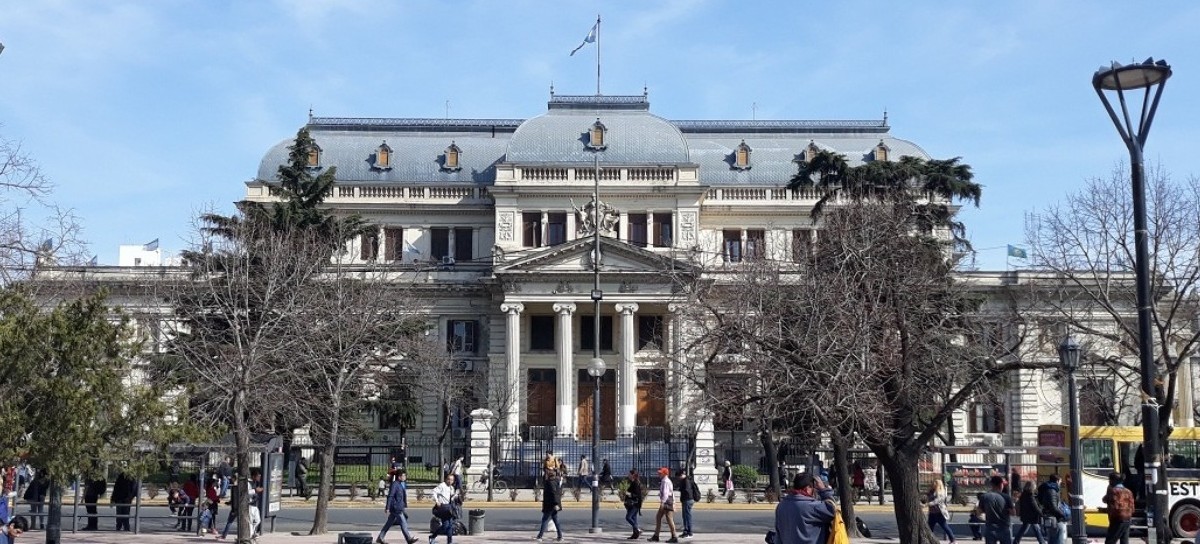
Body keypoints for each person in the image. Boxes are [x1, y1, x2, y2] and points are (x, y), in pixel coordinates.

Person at [774, 472, 835, 544]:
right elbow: (832, 509)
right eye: (813, 488)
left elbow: (778, 534)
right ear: (807, 488)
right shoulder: (812, 506)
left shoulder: (781, 506)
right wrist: (823, 490)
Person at [377, 470, 418, 544]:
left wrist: (404, 505)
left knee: (389, 523)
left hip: (399, 507)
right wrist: (387, 507)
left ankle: (380, 537)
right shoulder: (395, 484)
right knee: (403, 522)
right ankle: (408, 539)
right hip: (396, 508)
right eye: (403, 476)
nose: (405, 477)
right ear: (399, 477)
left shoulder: (400, 484)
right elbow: (390, 496)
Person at [978, 475, 1015, 544]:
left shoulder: (984, 497)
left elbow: (979, 512)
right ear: (1001, 485)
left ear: (991, 485)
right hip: (1004, 528)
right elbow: (1013, 513)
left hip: (990, 528)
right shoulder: (1006, 497)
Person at [648, 467, 678, 543]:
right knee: (658, 517)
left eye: (660, 473)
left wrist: (662, 503)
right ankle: (656, 536)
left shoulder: (665, 481)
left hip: (667, 502)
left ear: (664, 474)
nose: (658, 474)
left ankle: (674, 536)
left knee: (669, 519)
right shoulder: (664, 481)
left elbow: (666, 493)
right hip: (667, 502)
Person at [1102, 472, 1133, 544]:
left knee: (1110, 541)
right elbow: (1132, 506)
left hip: (1117, 520)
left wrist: (1108, 490)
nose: (1109, 481)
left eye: (1109, 480)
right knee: (1124, 541)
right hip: (1128, 518)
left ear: (1113, 481)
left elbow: (1106, 501)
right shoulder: (1128, 491)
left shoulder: (1113, 491)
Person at [1036, 475, 1066, 544]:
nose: (1060, 483)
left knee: (1052, 536)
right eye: (1060, 481)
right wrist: (1062, 515)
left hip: (1048, 515)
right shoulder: (1052, 490)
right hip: (1054, 516)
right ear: (1057, 481)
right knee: (1058, 533)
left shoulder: (1046, 488)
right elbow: (1053, 507)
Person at [430, 473, 458, 544]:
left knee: (450, 525)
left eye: (452, 480)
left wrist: (455, 496)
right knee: (445, 526)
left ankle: (449, 541)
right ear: (446, 479)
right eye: (448, 479)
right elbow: (434, 492)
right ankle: (433, 536)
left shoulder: (451, 488)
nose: (450, 481)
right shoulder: (442, 485)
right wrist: (437, 501)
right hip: (443, 508)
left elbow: (451, 497)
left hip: (449, 508)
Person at [535, 475, 563, 542]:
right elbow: (558, 493)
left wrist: (555, 503)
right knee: (556, 520)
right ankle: (560, 536)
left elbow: (554, 494)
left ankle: (540, 536)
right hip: (552, 504)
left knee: (545, 520)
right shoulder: (556, 482)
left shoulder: (550, 483)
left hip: (550, 505)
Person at [677, 470, 700, 538]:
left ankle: (688, 532)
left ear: (681, 475)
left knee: (687, 516)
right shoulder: (689, 479)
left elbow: (687, 490)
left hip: (687, 499)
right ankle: (686, 531)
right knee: (686, 516)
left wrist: (681, 489)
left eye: (678, 477)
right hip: (689, 499)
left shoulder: (686, 480)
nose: (678, 479)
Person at [624, 470, 644, 539]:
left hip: (634, 504)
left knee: (628, 517)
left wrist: (628, 494)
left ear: (632, 475)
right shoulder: (634, 482)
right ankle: (635, 534)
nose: (628, 475)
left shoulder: (635, 483)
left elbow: (636, 495)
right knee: (634, 518)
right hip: (633, 504)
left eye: (629, 474)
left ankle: (637, 529)